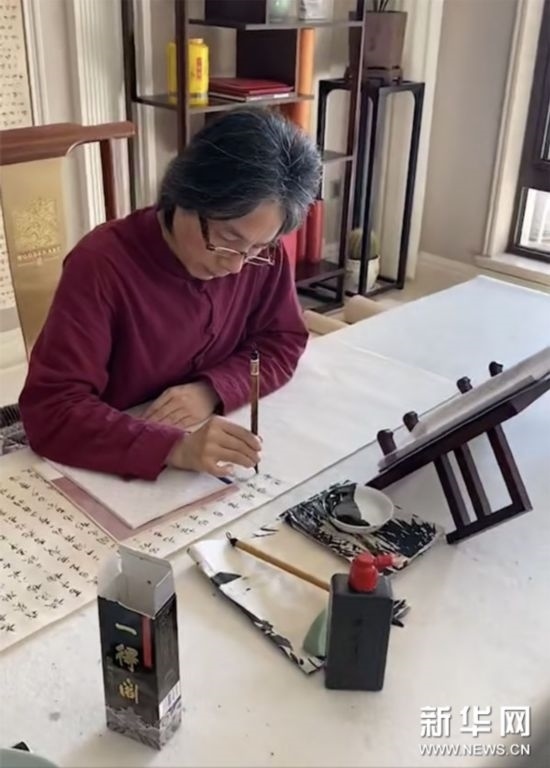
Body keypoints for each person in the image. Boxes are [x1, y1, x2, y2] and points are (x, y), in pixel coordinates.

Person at [19, 107, 321, 481]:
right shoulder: (100, 264)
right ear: (186, 193)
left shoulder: (260, 254)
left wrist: (212, 389)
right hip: (112, 459)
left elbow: (282, 339)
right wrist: (174, 447)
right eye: (228, 238)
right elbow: (51, 410)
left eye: (259, 247)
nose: (236, 266)